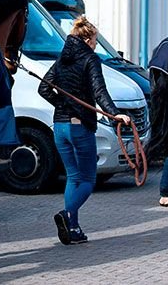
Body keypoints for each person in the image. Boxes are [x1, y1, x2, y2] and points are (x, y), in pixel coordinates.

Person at [38, 16, 131, 245]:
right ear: (87, 39)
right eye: (96, 40)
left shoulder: (62, 59)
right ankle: (67, 215)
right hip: (80, 128)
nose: (97, 45)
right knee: (88, 180)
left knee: (73, 176)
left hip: (59, 127)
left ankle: (74, 229)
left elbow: (44, 88)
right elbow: (100, 92)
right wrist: (115, 113)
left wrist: (62, 104)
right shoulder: (90, 59)